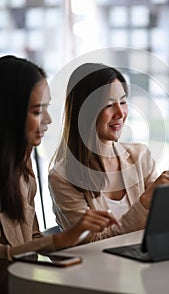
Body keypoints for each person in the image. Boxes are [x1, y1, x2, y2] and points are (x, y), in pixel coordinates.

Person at [48, 62, 169, 243]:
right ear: (85, 111)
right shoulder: (62, 177)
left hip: (144, 266)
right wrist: (145, 203)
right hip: (96, 271)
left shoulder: (139, 156)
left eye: (123, 102)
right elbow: (92, 243)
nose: (120, 113)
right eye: (109, 104)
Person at [0, 56, 119, 260]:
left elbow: (32, 241)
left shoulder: (22, 171)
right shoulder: (59, 174)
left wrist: (72, 236)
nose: (48, 119)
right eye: (38, 111)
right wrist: (60, 240)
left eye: (47, 108)